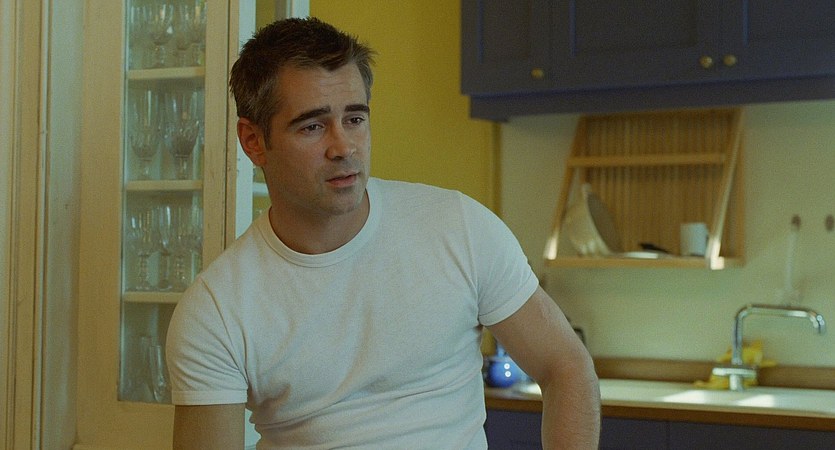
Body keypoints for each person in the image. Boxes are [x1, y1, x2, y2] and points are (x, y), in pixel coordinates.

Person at [166, 17, 600, 449]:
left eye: (354, 119)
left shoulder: (459, 227)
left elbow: (565, 365)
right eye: (312, 126)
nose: (343, 147)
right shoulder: (217, 309)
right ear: (253, 141)